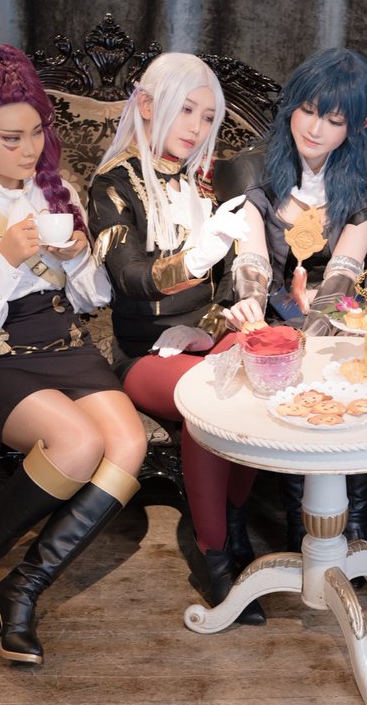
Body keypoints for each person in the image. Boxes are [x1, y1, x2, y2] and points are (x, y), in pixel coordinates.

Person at [0, 45, 148, 665]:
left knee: (129, 446)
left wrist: (80, 259)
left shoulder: (56, 191)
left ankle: (22, 587)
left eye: (37, 133)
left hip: (62, 342)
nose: (29, 150)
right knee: (78, 442)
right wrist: (5, 260)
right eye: (11, 138)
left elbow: (92, 299)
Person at [86, 53, 266, 624]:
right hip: (145, 352)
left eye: (207, 117)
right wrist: (195, 257)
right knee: (209, 402)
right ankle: (215, 555)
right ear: (146, 104)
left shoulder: (204, 181)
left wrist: (229, 308)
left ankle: (234, 525)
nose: (196, 127)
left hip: (206, 337)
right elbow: (130, 280)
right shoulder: (113, 185)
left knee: (263, 368)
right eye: (185, 110)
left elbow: (230, 274)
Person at [220, 47, 367, 553]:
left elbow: (344, 274)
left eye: (333, 120)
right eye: (308, 111)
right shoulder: (251, 169)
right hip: (268, 316)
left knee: (344, 383)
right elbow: (251, 259)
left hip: (333, 317)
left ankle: (351, 527)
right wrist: (252, 305)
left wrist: (312, 338)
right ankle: (300, 527)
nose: (314, 129)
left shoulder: (364, 184)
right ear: (291, 105)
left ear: (357, 126)